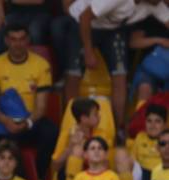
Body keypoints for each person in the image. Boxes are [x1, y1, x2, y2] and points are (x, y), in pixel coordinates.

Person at [63, 0, 161, 134]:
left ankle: (119, 127)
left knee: (120, 74)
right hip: (83, 23)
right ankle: (71, 123)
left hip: (112, 29)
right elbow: (84, 17)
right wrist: (88, 50)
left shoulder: (155, 4)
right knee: (73, 73)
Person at [0, 22, 58, 180]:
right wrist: (6, 121)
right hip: (3, 121)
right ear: (6, 41)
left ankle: (38, 178)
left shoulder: (41, 65)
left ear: (28, 40)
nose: (18, 44)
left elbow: (41, 107)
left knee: (50, 132)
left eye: (22, 39)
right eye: (13, 39)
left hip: (30, 122)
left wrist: (27, 122)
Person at [51, 97, 106, 180]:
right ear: (84, 118)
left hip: (96, 178)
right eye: (95, 114)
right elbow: (55, 167)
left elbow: (106, 162)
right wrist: (70, 147)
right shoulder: (67, 135)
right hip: (67, 177)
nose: (99, 116)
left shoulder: (102, 134)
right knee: (76, 150)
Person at [115, 104, 166, 180]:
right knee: (121, 153)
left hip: (162, 174)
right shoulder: (140, 137)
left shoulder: (166, 138)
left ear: (164, 125)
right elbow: (133, 159)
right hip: (142, 174)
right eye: (149, 121)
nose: (153, 125)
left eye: (157, 121)